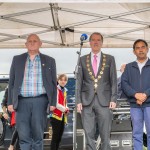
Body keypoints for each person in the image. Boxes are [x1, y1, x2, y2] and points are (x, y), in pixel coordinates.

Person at [7, 34, 57, 150]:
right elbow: (11, 83)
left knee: (38, 136)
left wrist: (53, 103)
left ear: (40, 44)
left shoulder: (49, 61)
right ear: (25, 44)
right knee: (23, 136)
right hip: (21, 102)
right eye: (30, 41)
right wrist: (10, 102)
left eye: (35, 41)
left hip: (41, 101)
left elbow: (53, 84)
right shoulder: (17, 59)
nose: (32, 43)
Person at [77, 32, 117, 150]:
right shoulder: (82, 59)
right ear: (89, 42)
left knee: (105, 134)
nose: (96, 42)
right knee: (89, 134)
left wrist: (113, 99)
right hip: (86, 101)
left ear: (102, 42)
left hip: (104, 101)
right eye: (93, 40)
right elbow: (79, 81)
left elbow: (113, 80)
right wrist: (78, 101)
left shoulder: (110, 59)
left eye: (98, 40)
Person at [121, 39, 150, 150]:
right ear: (134, 51)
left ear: (147, 49)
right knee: (136, 134)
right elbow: (124, 84)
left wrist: (145, 95)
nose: (140, 50)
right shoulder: (128, 67)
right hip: (135, 105)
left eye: (143, 47)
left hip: (149, 105)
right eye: (137, 48)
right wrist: (135, 95)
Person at [50, 74, 69, 150]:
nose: (63, 81)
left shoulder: (64, 90)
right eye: (61, 80)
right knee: (55, 138)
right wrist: (65, 109)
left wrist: (66, 108)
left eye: (65, 80)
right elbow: (56, 103)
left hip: (62, 116)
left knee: (59, 138)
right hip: (55, 116)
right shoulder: (56, 89)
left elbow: (65, 103)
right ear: (58, 80)